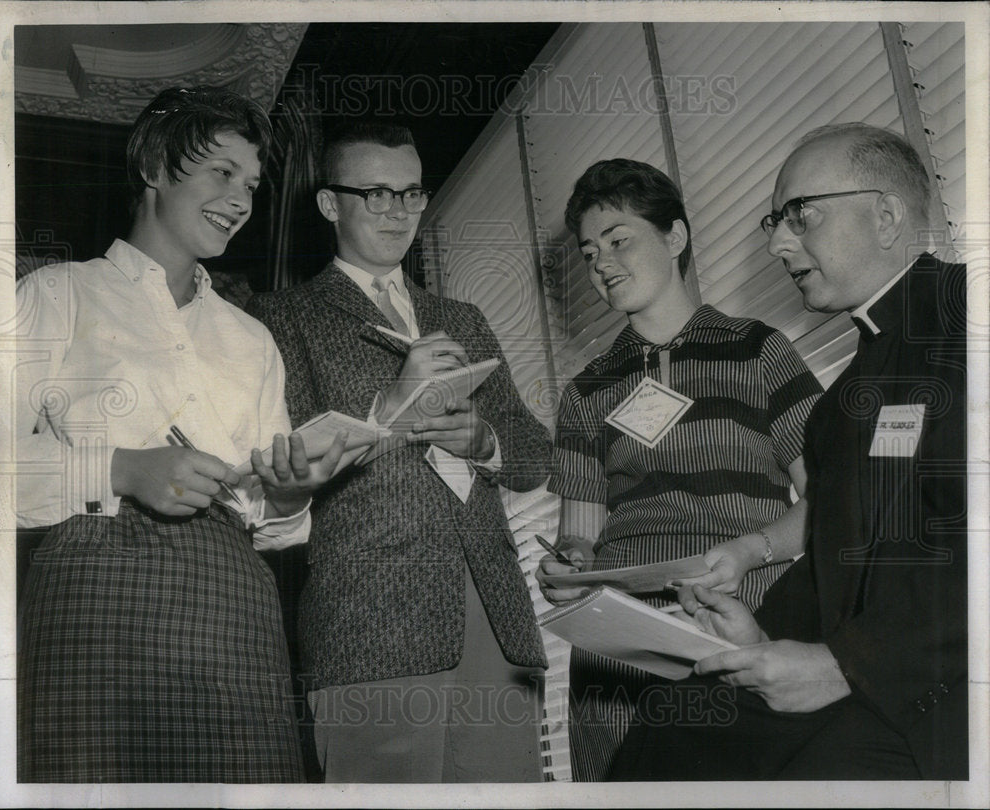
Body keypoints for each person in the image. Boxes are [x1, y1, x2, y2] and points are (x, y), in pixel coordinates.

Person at [16, 86, 355, 782]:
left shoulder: (252, 338)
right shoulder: (55, 293)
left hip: (238, 600)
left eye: (253, 185)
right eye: (220, 173)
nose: (240, 199)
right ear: (153, 166)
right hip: (95, 590)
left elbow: (273, 523)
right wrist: (121, 469)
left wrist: (290, 495)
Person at [611, 123, 967, 780]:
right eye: (777, 222)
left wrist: (845, 664)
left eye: (800, 216)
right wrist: (758, 637)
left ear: (886, 216)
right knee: (669, 729)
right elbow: (834, 561)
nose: (778, 243)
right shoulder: (839, 406)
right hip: (873, 669)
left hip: (949, 683)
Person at [245, 120, 551, 783]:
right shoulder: (279, 318)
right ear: (330, 204)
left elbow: (534, 454)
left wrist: (486, 441)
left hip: (494, 617)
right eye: (376, 193)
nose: (398, 211)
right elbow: (282, 461)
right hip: (370, 624)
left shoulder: (462, 317)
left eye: (410, 194)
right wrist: (391, 403)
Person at [535, 158, 823, 781]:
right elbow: (578, 536)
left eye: (619, 241)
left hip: (738, 625)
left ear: (675, 237)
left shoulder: (759, 350)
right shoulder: (587, 391)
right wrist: (567, 566)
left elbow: (832, 503)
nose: (602, 263)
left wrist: (751, 552)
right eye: (590, 252)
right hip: (619, 653)